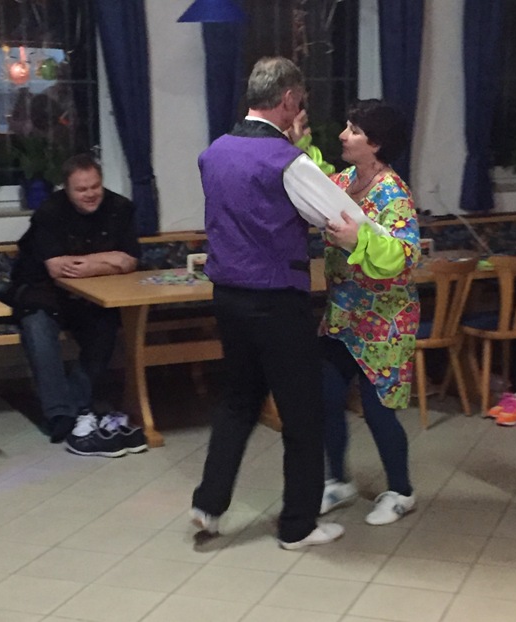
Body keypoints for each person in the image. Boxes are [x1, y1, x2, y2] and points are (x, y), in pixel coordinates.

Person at [190, 56, 344, 550]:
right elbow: (337, 216)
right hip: (277, 300)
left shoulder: (214, 152)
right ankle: (298, 526)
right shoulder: (287, 161)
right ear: (289, 100)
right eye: (301, 102)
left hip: (227, 296)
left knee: (239, 400)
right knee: (302, 415)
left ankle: (209, 504)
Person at [315, 99, 421, 525]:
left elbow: (404, 255)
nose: (343, 135)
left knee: (378, 412)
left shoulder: (394, 193)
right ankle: (338, 480)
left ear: (375, 144)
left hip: (385, 322)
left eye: (354, 130)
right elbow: (312, 181)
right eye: (347, 126)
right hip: (342, 314)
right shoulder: (343, 181)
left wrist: (357, 240)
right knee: (326, 399)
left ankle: (401, 491)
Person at [9, 153, 144, 456]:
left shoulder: (120, 207)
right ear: (67, 189)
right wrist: (109, 259)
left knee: (107, 326)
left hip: (93, 296)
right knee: (37, 328)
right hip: (41, 291)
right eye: (81, 189)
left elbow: (130, 260)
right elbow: (57, 268)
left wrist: (91, 263)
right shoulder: (49, 211)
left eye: (95, 187)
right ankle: (61, 415)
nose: (90, 194)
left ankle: (77, 406)